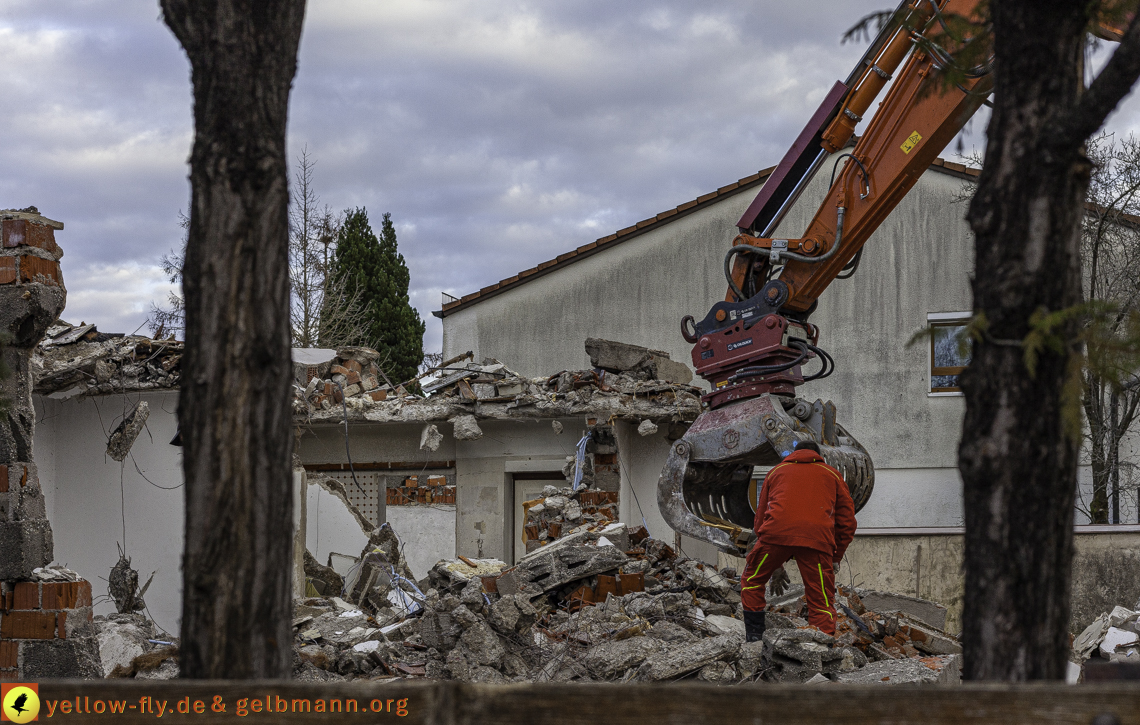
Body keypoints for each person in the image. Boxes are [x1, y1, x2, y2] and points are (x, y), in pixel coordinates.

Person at [741, 439, 857, 641]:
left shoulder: (776, 472)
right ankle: (821, 647)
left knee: (751, 581)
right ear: (819, 455)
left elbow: (760, 518)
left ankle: (754, 639)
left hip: (774, 537)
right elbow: (847, 523)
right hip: (816, 541)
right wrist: (835, 557)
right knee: (821, 598)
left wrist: (770, 555)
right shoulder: (832, 475)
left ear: (793, 453)